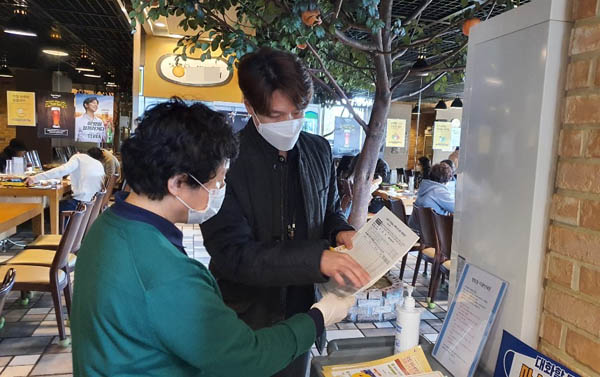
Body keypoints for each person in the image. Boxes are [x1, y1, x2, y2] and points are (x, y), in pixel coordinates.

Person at [71, 99, 355, 377]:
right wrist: (320, 317)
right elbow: (249, 359)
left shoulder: (107, 227)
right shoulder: (168, 274)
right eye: (217, 181)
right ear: (177, 183)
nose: (220, 189)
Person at [201, 47, 370, 377]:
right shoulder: (225, 162)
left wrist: (340, 232)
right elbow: (231, 254)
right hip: (246, 318)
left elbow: (329, 211)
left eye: (298, 113)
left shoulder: (318, 150)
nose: (290, 124)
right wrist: (317, 259)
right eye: (277, 116)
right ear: (250, 107)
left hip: (304, 314)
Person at [25, 149, 104, 212]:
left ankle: (56, 231)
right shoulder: (98, 164)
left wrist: (35, 178)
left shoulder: (77, 157)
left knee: (47, 210)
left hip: (79, 204)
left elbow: (62, 170)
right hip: (92, 204)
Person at [408, 163, 455, 234]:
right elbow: (456, 209)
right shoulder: (439, 191)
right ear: (448, 178)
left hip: (416, 228)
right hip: (430, 233)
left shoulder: (425, 186)